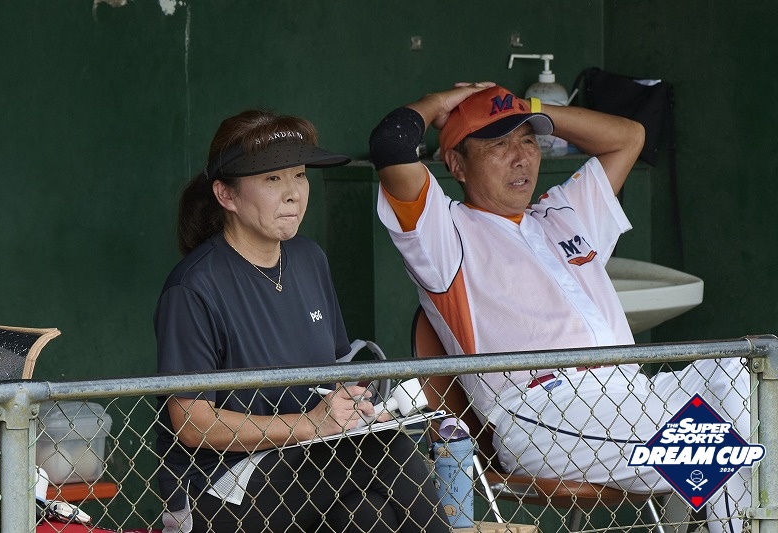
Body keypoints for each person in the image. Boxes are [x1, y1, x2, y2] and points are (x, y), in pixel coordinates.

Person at [370, 82, 751, 533]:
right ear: (456, 163)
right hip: (541, 411)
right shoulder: (445, 234)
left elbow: (630, 136)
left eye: (528, 140)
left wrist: (527, 106)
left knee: (743, 377)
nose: (520, 157)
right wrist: (441, 104)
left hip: (631, 394)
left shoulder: (562, 214)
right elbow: (391, 142)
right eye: (498, 145)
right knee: (723, 449)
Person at [154, 109, 449, 533]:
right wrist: (310, 424)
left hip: (307, 463)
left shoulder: (309, 259)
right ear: (226, 195)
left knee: (366, 515)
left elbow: (334, 376)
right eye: (272, 179)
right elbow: (192, 423)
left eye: (299, 175)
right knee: (388, 451)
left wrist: (358, 409)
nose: (293, 193)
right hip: (219, 489)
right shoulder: (194, 286)